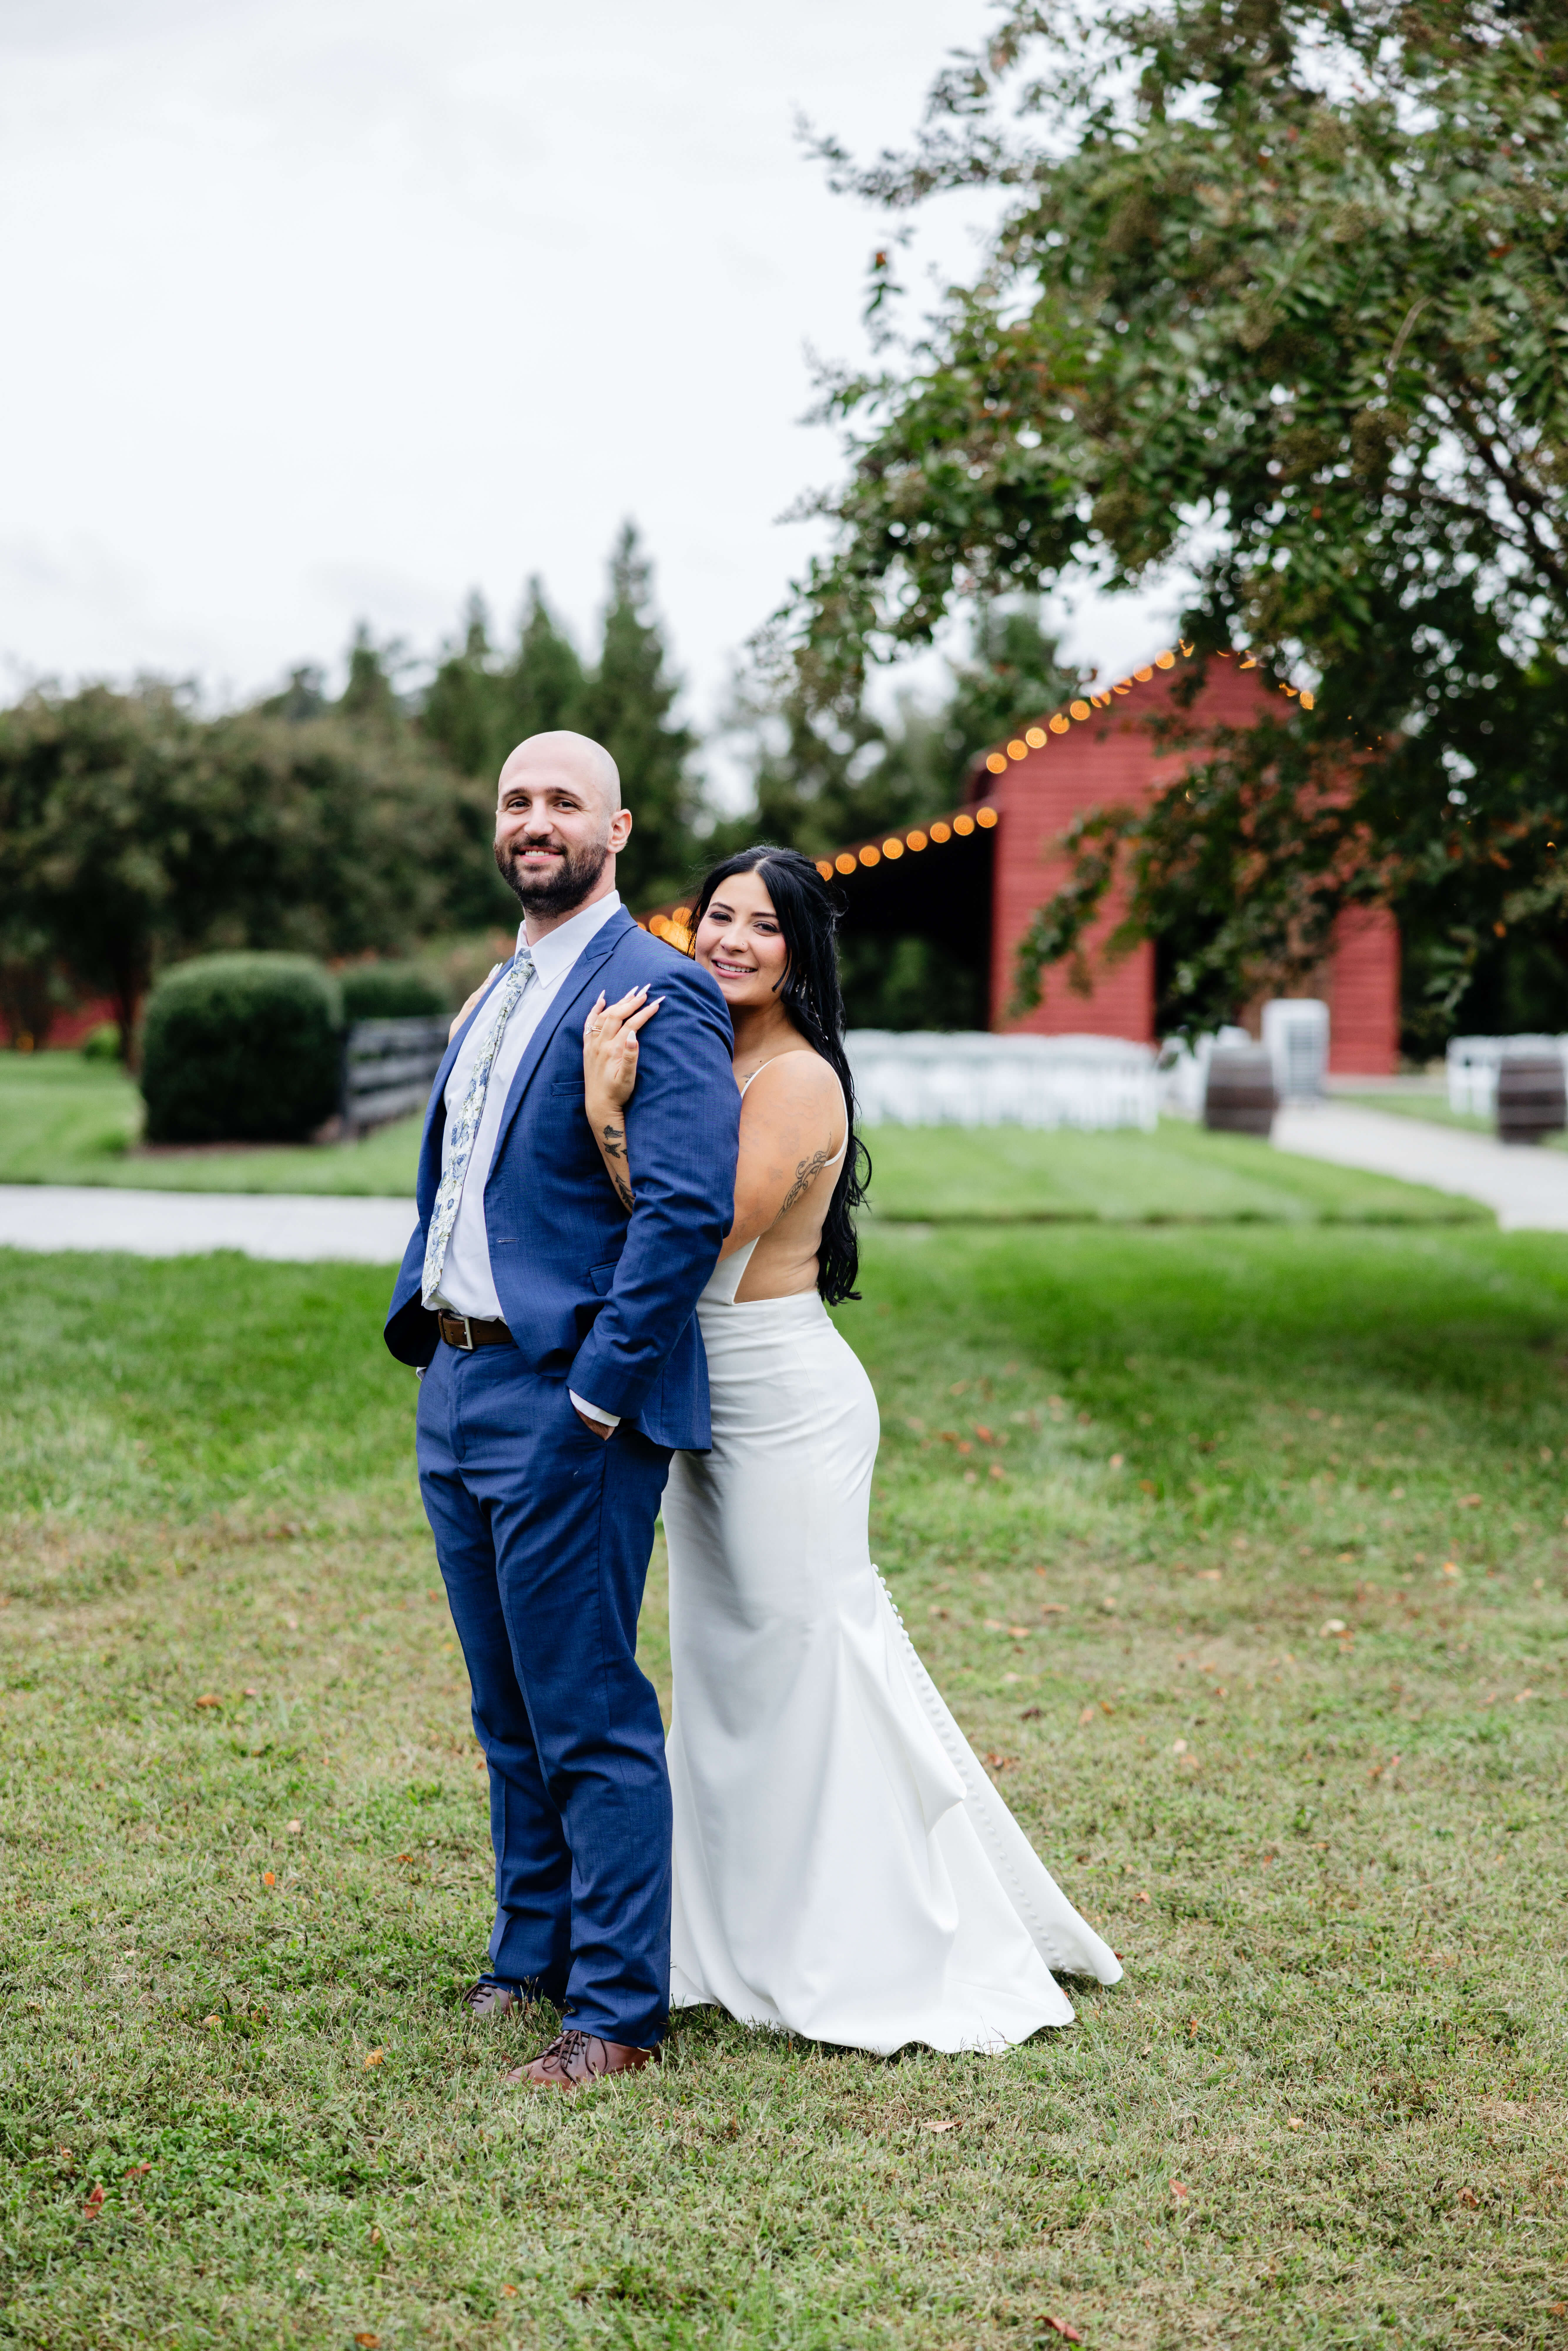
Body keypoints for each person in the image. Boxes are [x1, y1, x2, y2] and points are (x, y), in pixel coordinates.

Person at [581, 846, 1122, 2056]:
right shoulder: (707, 1049)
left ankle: (864, 1938)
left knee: (807, 1658)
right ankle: (731, 1931)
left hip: (782, 1398)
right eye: (715, 914)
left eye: (759, 927)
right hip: (705, 1391)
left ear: (798, 953)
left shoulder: (792, 1078)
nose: (728, 938)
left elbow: (701, 1233)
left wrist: (605, 1112)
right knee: (729, 1668)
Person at [384, 731, 740, 2090]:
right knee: (504, 1707)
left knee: (584, 1706)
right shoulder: (497, 987)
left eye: (562, 803)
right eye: (517, 799)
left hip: (565, 1398)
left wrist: (597, 1391)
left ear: (617, 827)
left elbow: (686, 1209)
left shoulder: (659, 986)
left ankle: (613, 2013)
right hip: (460, 1379)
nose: (536, 822)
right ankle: (524, 1954)